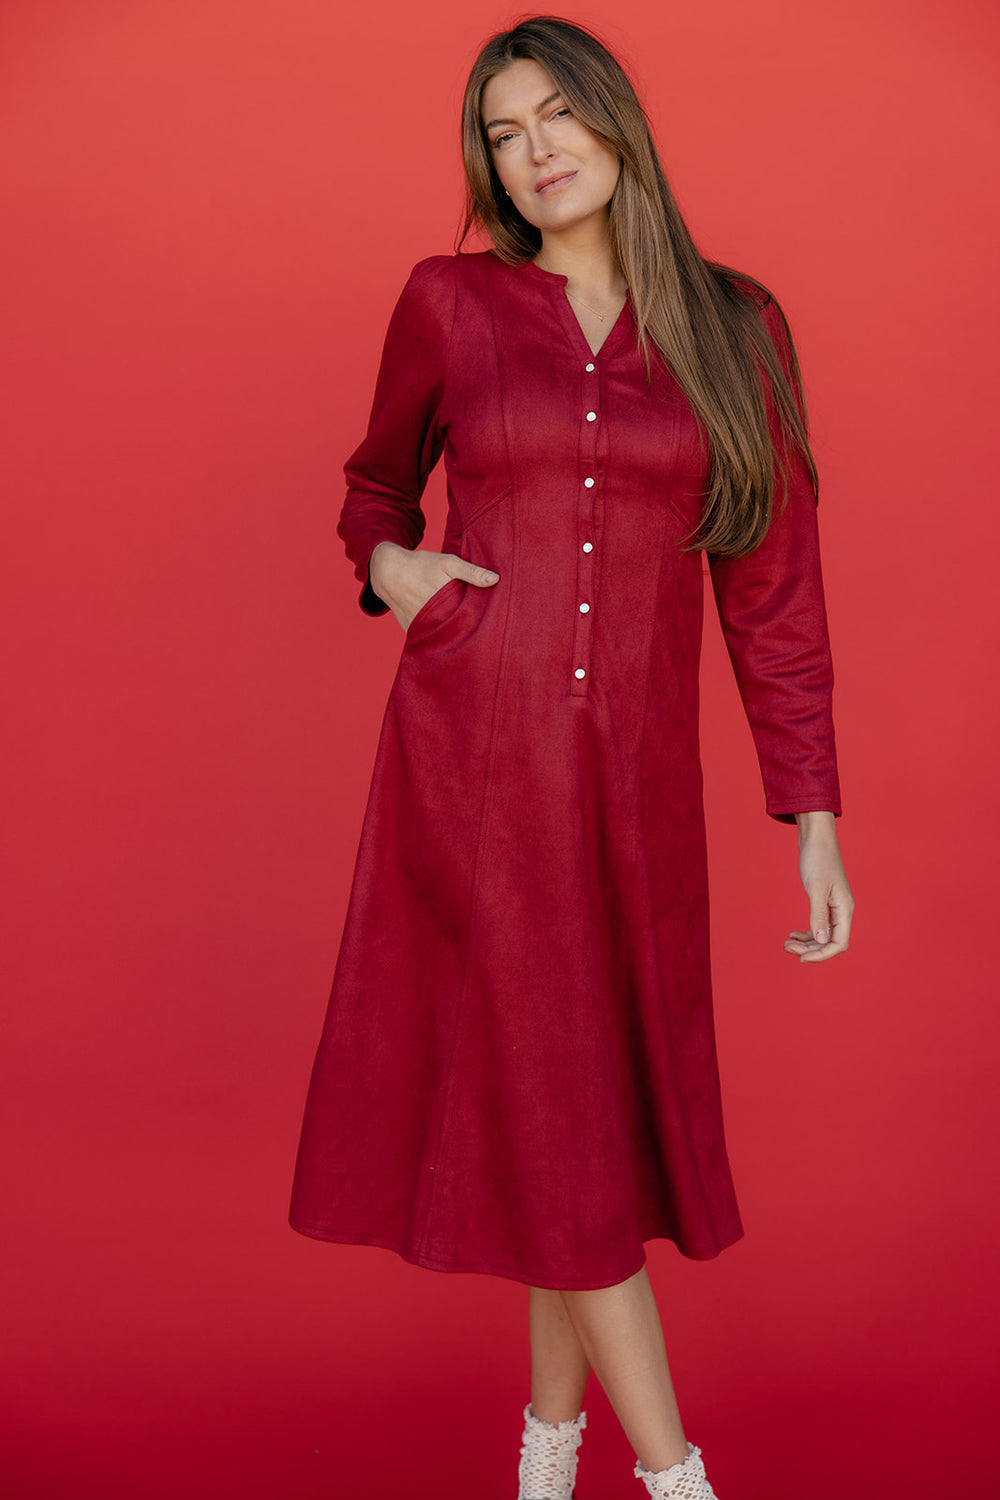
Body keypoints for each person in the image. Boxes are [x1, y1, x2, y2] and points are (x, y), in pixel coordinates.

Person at [289, 15, 854, 1499]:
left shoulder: (736, 327)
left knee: (573, 1121)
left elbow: (773, 590)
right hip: (475, 772)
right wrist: (399, 574)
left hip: (639, 796)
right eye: (503, 131)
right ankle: (678, 1481)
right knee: (562, 1117)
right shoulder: (453, 302)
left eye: (556, 116)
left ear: (616, 119)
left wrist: (811, 811)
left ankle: (545, 1469)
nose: (534, 151)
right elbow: (371, 489)